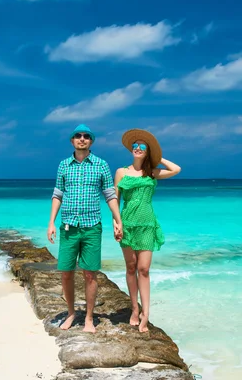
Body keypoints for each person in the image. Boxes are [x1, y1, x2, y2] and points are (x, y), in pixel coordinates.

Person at [47, 124, 123, 333]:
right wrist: (51, 222)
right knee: (66, 273)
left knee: (90, 273)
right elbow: (57, 194)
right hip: (69, 226)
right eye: (78, 136)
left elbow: (110, 194)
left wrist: (118, 220)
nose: (82, 139)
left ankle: (89, 318)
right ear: (72, 141)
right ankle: (71, 313)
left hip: (92, 227)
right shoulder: (64, 165)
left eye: (86, 136)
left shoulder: (101, 165)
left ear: (91, 141)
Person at [113, 129, 181, 332]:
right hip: (127, 224)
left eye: (143, 146)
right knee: (131, 267)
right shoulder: (121, 172)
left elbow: (176, 169)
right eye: (135, 146)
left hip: (147, 225)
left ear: (148, 151)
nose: (137, 149)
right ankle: (134, 308)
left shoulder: (151, 172)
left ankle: (146, 314)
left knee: (144, 269)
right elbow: (114, 200)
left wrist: (157, 157)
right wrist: (116, 223)